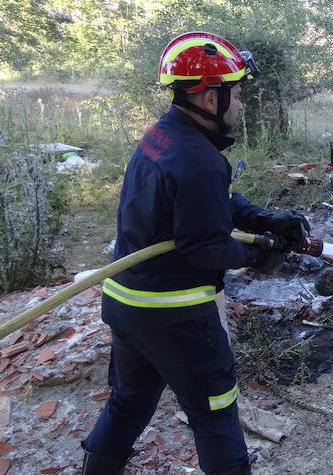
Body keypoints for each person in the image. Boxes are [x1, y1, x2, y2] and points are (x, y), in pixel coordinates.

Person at [81, 31, 311, 475]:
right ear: (210, 99)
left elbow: (208, 202)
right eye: (238, 95)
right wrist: (261, 256)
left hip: (128, 304)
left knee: (129, 401)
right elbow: (205, 247)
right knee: (215, 413)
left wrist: (264, 220)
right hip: (177, 315)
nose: (241, 106)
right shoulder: (200, 158)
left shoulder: (163, 137)